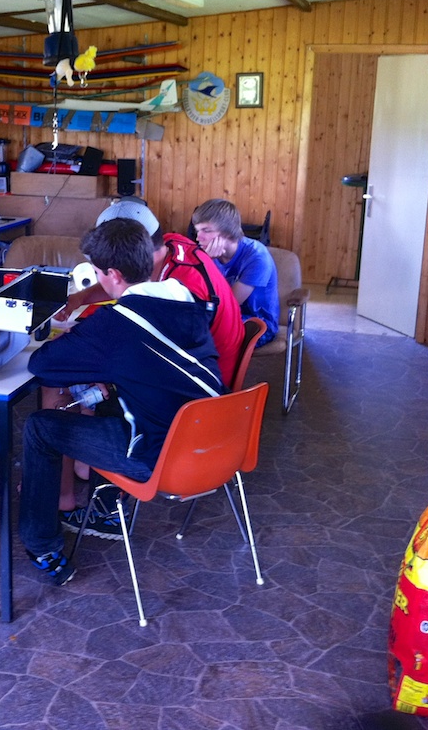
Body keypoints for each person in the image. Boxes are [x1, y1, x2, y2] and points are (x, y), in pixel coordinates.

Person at [20, 217, 224, 585]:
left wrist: (79, 339)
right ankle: (104, 507)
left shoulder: (114, 325)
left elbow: (42, 366)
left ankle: (41, 544)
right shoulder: (185, 298)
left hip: (162, 457)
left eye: (98, 273)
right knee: (108, 400)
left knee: (40, 427)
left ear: (112, 275)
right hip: (215, 442)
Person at [52, 199, 244, 535]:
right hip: (212, 381)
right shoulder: (170, 246)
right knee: (102, 377)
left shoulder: (184, 283)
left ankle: (108, 510)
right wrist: (82, 297)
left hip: (202, 396)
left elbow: (161, 357)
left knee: (108, 392)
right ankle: (85, 466)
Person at [191, 199, 279, 347]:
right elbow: (196, 293)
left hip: (257, 324)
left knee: (200, 337)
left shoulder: (257, 257)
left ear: (227, 232)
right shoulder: (206, 253)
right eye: (197, 230)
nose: (198, 238)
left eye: (206, 230)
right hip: (222, 316)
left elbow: (229, 305)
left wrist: (207, 264)